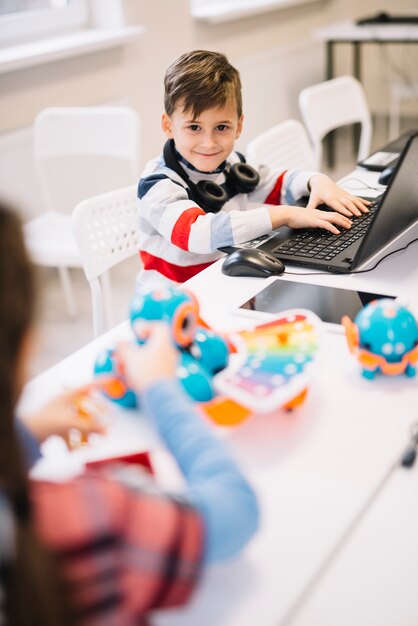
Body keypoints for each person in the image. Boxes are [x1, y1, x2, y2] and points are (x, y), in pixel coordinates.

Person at [0, 201, 259, 625]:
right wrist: (161, 386)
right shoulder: (94, 515)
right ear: (27, 342)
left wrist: (22, 434)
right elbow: (236, 512)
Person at [137, 49, 370, 287]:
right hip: (170, 306)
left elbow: (278, 181)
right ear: (168, 125)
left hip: (224, 283)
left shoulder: (231, 165)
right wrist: (286, 215)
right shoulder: (157, 184)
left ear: (239, 126)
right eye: (194, 127)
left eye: (222, 127)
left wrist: (317, 181)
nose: (209, 143)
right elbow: (195, 234)